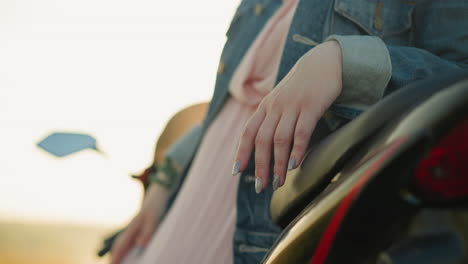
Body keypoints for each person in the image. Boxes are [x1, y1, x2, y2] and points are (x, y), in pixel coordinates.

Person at [110, 0, 468, 263]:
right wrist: (166, 179)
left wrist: (347, 62)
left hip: (272, 233)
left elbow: (459, 82)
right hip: (189, 210)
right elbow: (231, 109)